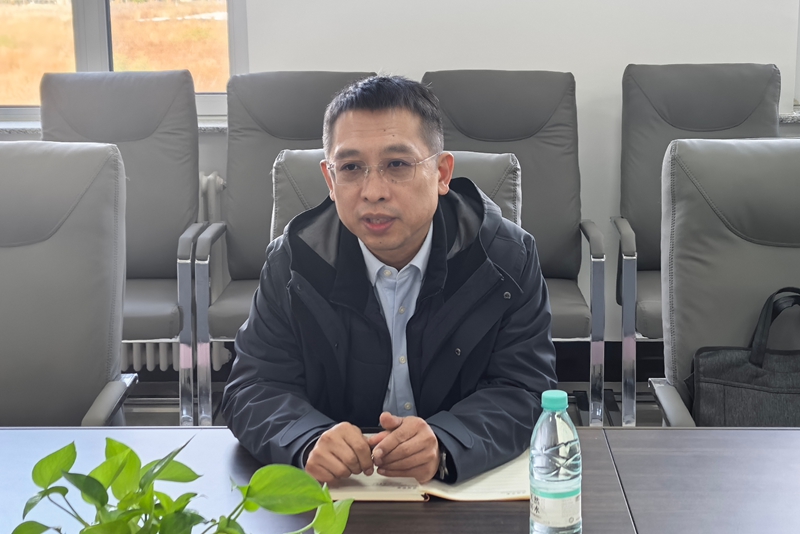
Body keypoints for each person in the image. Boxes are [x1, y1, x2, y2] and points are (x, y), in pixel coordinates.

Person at [221, 75, 557, 485]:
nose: (373, 191)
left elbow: (524, 389)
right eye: (351, 168)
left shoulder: (506, 258)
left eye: (397, 164)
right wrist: (306, 439)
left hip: (454, 487)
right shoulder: (292, 263)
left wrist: (447, 441)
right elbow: (254, 388)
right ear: (330, 181)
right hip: (339, 490)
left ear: (441, 174)